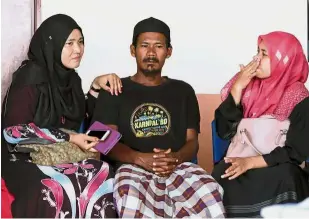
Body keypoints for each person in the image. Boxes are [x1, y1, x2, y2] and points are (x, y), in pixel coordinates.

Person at [91, 17, 225, 218]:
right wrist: (140, 158)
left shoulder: (183, 91)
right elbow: (101, 140)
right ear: (132, 50)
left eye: (158, 46)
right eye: (144, 45)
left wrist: (175, 158)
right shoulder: (114, 89)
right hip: (131, 168)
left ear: (168, 52)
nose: (151, 53)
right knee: (132, 199)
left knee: (209, 191)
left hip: (177, 166)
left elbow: (192, 142)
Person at [1, 14, 123, 218]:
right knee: (57, 188)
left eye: (81, 42)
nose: (78, 49)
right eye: (69, 43)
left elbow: (76, 118)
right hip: (24, 159)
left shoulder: (72, 79)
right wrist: (70, 138)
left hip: (63, 155)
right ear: (53, 44)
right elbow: (13, 132)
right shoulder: (30, 77)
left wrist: (94, 87)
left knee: (102, 173)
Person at [211, 31, 309, 217]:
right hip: (240, 159)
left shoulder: (299, 97)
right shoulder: (247, 86)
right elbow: (223, 132)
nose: (256, 58)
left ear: (284, 60)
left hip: (276, 166)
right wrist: (238, 88)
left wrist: (251, 162)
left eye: (264, 54)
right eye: (257, 51)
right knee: (222, 174)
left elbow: (296, 152)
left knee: (288, 176)